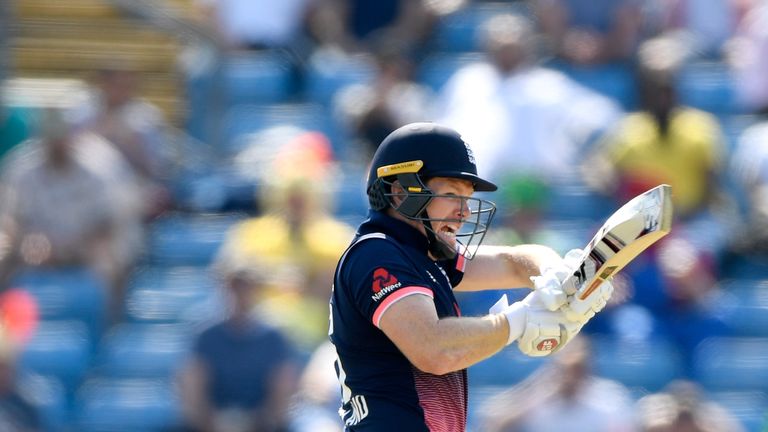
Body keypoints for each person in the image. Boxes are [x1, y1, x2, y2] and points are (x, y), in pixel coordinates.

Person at [328, 122, 614, 430]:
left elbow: (513, 262)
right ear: (400, 192)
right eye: (452, 194)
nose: (464, 212)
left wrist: (557, 274)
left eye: (466, 198)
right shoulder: (376, 253)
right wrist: (520, 320)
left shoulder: (425, 255)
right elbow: (433, 349)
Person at [177, 264, 300, 432]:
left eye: (247, 288)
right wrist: (210, 422)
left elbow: (282, 388)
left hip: (261, 424)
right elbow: (192, 385)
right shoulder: (205, 336)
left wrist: (259, 422)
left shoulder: (273, 338)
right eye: (234, 287)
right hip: (212, 423)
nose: (240, 294)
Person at [477, 336, 637, 432]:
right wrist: (536, 388)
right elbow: (494, 425)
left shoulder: (610, 398)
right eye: (565, 368)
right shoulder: (539, 395)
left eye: (578, 369)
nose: (571, 376)